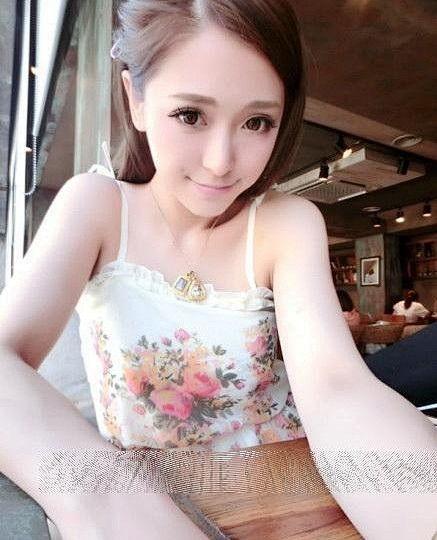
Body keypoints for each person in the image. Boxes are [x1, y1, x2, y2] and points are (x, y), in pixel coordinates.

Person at [0, 1, 435, 539]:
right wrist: (102, 493)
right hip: (153, 504)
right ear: (137, 99)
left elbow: (335, 385)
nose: (221, 161)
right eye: (190, 115)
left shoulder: (286, 223)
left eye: (257, 122)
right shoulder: (97, 206)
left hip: (287, 492)